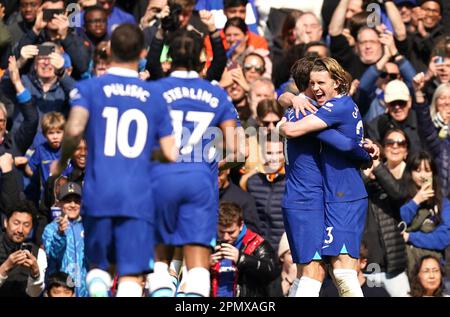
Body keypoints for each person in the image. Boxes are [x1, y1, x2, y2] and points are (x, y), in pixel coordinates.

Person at [52, 23, 177, 297]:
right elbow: (170, 153)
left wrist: (61, 162)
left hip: (100, 193)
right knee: (131, 273)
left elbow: (73, 130)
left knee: (99, 266)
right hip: (138, 196)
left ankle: (98, 284)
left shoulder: (91, 88)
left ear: (108, 51)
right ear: (142, 52)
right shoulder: (155, 95)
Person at [147, 28, 237, 298]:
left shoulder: (153, 90)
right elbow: (235, 149)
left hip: (162, 177)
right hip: (199, 179)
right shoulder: (216, 93)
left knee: (160, 260)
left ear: (169, 57)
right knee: (196, 265)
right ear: (201, 60)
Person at [278, 57, 376, 297]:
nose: (318, 87)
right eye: (314, 83)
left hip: (336, 197)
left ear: (337, 83)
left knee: (329, 273)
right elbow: (343, 144)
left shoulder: (326, 109)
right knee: (316, 274)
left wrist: (363, 150)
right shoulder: (309, 111)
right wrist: (364, 153)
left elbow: (342, 143)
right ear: (308, 87)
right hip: (312, 200)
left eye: (321, 82)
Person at [362, 128, 411, 297]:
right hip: (369, 268)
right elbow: (345, 197)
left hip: (394, 268)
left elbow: (399, 193)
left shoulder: (385, 182)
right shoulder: (357, 185)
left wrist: (377, 165)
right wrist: (364, 176)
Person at [210, 202, 279, 297]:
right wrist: (206, 264)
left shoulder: (257, 244)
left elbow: (272, 272)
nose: (225, 237)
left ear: (241, 225)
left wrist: (241, 258)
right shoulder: (210, 243)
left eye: (231, 232)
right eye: (221, 232)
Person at [399, 151, 450, 277]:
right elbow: (399, 222)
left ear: (433, 173)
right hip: (406, 265)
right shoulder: (400, 197)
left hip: (435, 267)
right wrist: (416, 201)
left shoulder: (443, 203)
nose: (423, 175)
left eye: (427, 170)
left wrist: (410, 237)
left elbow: (443, 238)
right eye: (418, 170)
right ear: (410, 173)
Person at [42, 182, 87, 297]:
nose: (73, 205)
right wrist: (60, 233)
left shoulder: (89, 227)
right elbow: (53, 254)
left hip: (85, 291)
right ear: (60, 203)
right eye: (68, 200)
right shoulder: (50, 229)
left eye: (77, 201)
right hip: (61, 291)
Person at [0, 200, 47, 297]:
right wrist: (5, 267)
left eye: (26, 225)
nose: (20, 230)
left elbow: (34, 294)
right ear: (5, 222)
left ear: (31, 228)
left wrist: (35, 274)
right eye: (16, 223)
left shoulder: (38, 254)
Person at [320, 241, 391, 297]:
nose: (342, 263)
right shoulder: (328, 291)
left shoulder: (378, 293)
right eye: (336, 259)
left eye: (349, 258)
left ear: (363, 263)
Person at [25, 111, 65, 185]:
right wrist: (24, 165)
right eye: (51, 133)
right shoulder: (40, 150)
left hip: (67, 191)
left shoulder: (68, 148)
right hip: (48, 191)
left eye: (58, 132)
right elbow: (30, 169)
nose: (55, 137)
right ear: (44, 135)